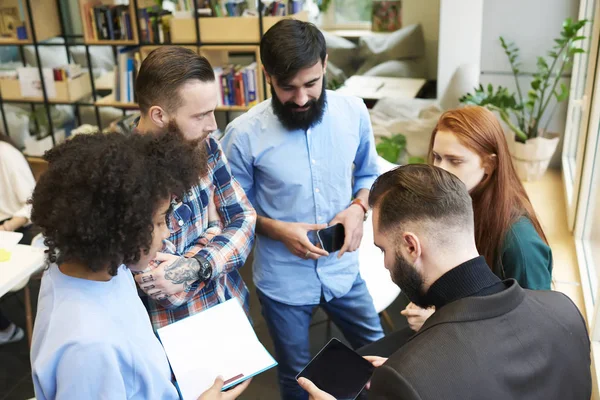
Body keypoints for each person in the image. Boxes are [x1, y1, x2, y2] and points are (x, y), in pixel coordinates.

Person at [298, 164, 591, 400]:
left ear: (411, 247)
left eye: (383, 249)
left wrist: (410, 377)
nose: (385, 264)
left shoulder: (408, 378)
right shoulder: (565, 311)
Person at [221, 19, 384, 400]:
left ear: (325, 64)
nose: (300, 99)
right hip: (283, 283)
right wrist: (278, 229)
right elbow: (233, 212)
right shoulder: (243, 135)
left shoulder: (354, 113)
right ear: (267, 76)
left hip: (344, 271)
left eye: (311, 84)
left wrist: (360, 207)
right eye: (287, 87)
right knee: (296, 379)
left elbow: (369, 172)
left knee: (383, 354)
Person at [29, 131, 250, 400]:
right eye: (159, 222)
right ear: (119, 227)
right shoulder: (88, 350)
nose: (167, 233)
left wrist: (213, 228)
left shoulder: (102, 269)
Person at [131, 46, 257, 330]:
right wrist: (215, 229)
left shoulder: (205, 144)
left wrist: (196, 265)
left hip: (230, 305)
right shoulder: (124, 175)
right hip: (179, 334)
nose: (213, 126)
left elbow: (245, 219)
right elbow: (164, 291)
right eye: (201, 115)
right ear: (159, 115)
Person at [402, 105, 553, 332]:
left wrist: (441, 318)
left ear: (488, 165)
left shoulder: (520, 244)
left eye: (455, 161)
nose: (440, 170)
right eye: (437, 157)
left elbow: (532, 330)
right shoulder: (460, 205)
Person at [0, 133, 37, 345]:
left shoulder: (6, 154)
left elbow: (33, 202)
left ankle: (6, 329)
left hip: (13, 228)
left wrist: (8, 226)